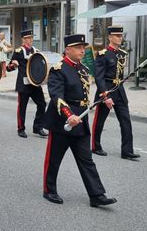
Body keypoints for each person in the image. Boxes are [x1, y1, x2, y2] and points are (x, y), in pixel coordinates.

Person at [43, 34, 117, 207]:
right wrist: (69, 115)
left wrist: (104, 97)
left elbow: (86, 95)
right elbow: (56, 97)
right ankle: (49, 190)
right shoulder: (58, 69)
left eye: (83, 47)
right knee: (54, 158)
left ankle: (96, 195)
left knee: (86, 159)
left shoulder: (83, 69)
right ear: (68, 49)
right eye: (78, 48)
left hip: (81, 119)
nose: (82, 51)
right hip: (63, 121)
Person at [91, 26, 140, 161]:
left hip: (119, 90)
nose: (119, 38)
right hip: (106, 90)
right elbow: (99, 77)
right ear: (110, 37)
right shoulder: (103, 54)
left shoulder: (122, 54)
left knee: (126, 121)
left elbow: (119, 74)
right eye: (117, 35)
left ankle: (127, 151)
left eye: (121, 35)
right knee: (99, 121)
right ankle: (95, 146)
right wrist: (104, 95)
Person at [7, 29, 47, 138]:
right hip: (23, 84)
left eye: (31, 38)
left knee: (42, 104)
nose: (30, 40)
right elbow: (8, 68)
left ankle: (37, 127)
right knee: (22, 107)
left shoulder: (36, 50)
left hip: (34, 83)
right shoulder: (19, 51)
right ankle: (21, 128)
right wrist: (13, 65)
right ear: (23, 39)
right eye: (27, 38)